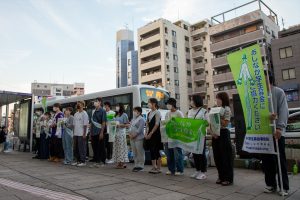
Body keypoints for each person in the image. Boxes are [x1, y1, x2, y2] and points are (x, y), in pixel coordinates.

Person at [262, 73, 289, 196]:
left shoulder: (278, 92)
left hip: (276, 132)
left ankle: (284, 186)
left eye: (264, 77)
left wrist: (280, 127)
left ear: (269, 78)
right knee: (267, 161)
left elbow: (284, 110)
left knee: (280, 160)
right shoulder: (260, 95)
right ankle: (271, 184)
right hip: (264, 133)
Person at [211, 92, 233, 186]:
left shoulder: (227, 109)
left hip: (223, 133)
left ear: (223, 99)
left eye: (218, 98)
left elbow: (225, 123)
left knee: (225, 157)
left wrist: (217, 116)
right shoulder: (214, 108)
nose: (217, 100)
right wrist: (213, 133)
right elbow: (210, 122)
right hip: (215, 134)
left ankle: (228, 178)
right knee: (217, 157)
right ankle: (220, 176)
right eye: (216, 98)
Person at [188, 95, 208, 180]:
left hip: (201, 135)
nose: (191, 102)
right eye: (191, 100)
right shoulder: (190, 111)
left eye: (192, 100)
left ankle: (203, 172)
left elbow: (207, 123)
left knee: (201, 153)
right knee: (194, 153)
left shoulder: (204, 111)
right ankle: (197, 170)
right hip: (192, 135)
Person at [163, 98, 184, 176]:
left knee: (178, 153)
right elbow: (165, 123)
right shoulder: (167, 114)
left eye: (169, 104)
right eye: (167, 104)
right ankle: (171, 169)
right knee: (169, 154)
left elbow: (182, 124)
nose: (167, 105)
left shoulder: (179, 113)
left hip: (176, 137)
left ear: (173, 104)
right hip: (168, 136)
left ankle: (180, 169)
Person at [145, 98, 163, 174]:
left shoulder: (157, 112)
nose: (148, 104)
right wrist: (146, 133)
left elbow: (156, 124)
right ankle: (153, 167)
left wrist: (150, 133)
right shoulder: (149, 113)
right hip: (149, 134)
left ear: (154, 103)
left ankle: (159, 168)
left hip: (156, 134)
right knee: (151, 150)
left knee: (156, 150)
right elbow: (147, 124)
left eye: (149, 102)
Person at [90, 98, 107, 167]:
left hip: (99, 132)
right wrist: (90, 132)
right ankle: (97, 161)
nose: (95, 103)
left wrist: (102, 132)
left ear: (100, 102)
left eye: (96, 101)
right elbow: (91, 122)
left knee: (101, 147)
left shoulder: (102, 111)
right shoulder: (93, 111)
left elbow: (103, 122)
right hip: (93, 132)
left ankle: (102, 161)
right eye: (94, 101)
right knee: (95, 147)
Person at [112, 103, 129, 169]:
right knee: (117, 148)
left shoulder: (124, 115)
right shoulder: (115, 114)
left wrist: (120, 125)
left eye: (118, 106)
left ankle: (122, 163)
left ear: (121, 107)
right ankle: (119, 162)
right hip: (115, 133)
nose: (117, 107)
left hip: (121, 133)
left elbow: (127, 124)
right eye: (116, 106)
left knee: (121, 147)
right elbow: (112, 122)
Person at [129, 107, 146, 172]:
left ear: (139, 112)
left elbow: (140, 129)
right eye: (134, 111)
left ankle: (141, 165)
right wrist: (130, 135)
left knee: (140, 152)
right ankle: (136, 164)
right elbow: (130, 127)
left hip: (139, 138)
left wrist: (134, 135)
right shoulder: (133, 119)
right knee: (134, 152)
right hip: (132, 138)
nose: (134, 112)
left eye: (135, 111)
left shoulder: (141, 119)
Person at [73, 101, 89, 167]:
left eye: (79, 104)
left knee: (82, 147)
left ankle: (83, 161)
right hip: (76, 133)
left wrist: (84, 134)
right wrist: (74, 133)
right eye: (77, 104)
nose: (78, 105)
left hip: (82, 133)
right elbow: (74, 124)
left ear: (82, 105)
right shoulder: (75, 114)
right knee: (76, 148)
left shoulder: (84, 113)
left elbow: (85, 125)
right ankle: (78, 160)